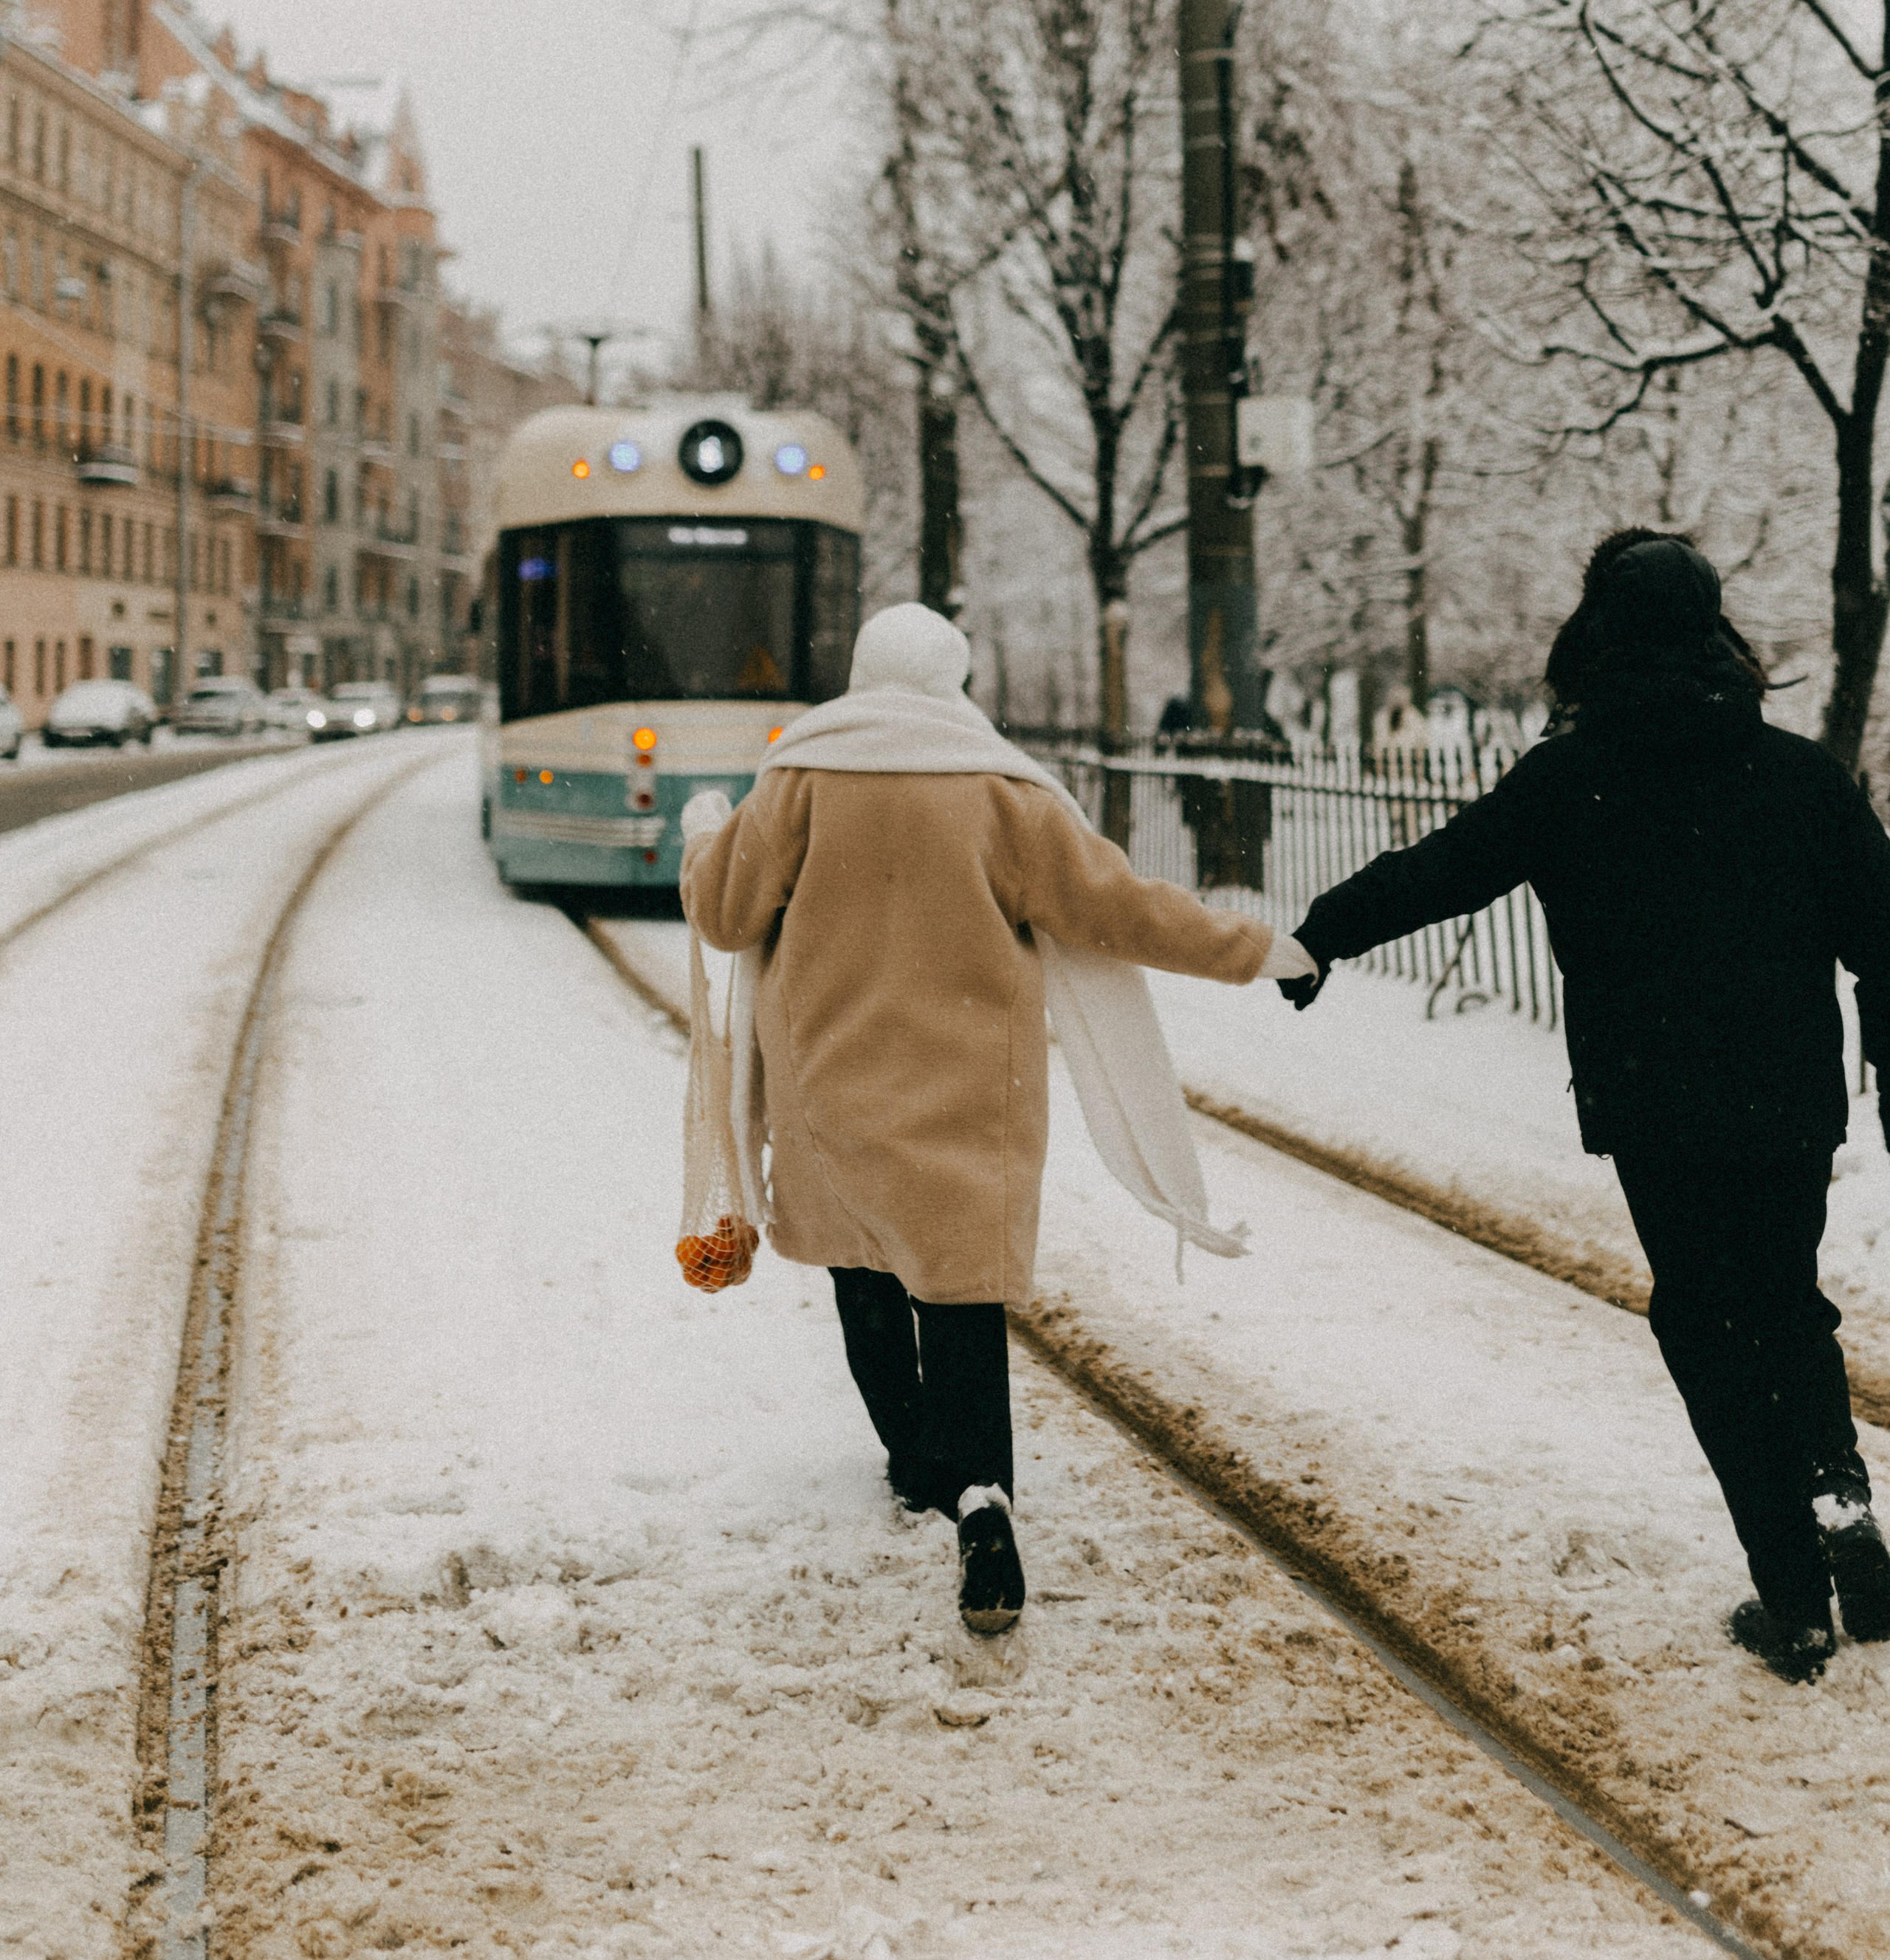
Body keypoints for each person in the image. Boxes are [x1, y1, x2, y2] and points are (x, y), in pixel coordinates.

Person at [1279, 530, 1890, 1685]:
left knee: (1705, 1323)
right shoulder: (1801, 778)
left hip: (1660, 1102)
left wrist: (1319, 934)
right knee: (1784, 1301)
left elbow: (1443, 870)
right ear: (1721, 640)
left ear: (1597, 637)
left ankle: (1794, 1597)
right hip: (1787, 1097)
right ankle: (1839, 1497)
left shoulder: (1572, 779)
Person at [680, 603, 1313, 1638]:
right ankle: (982, 1501)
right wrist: (1255, 948)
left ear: (862, 671)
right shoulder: (1004, 791)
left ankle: (915, 1461)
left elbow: (725, 913)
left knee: (867, 1279)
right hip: (972, 1096)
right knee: (963, 1297)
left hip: (832, 1085)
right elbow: (1121, 907)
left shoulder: (800, 776)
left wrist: (707, 827)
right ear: (955, 678)